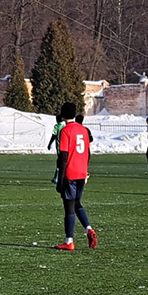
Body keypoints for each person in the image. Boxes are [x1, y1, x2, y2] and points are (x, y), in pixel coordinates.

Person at [54, 102, 97, 251]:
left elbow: (63, 157)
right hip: (81, 172)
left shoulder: (65, 131)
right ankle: (89, 229)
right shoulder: (84, 130)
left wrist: (60, 180)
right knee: (77, 203)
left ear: (63, 114)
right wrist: (85, 170)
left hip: (70, 174)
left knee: (69, 208)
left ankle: (69, 241)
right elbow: (88, 153)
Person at [47, 114, 65, 184]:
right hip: (65, 146)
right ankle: (57, 177)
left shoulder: (57, 126)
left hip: (60, 147)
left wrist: (49, 144)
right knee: (62, 161)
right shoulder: (64, 126)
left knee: (60, 162)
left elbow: (54, 135)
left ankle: (57, 178)